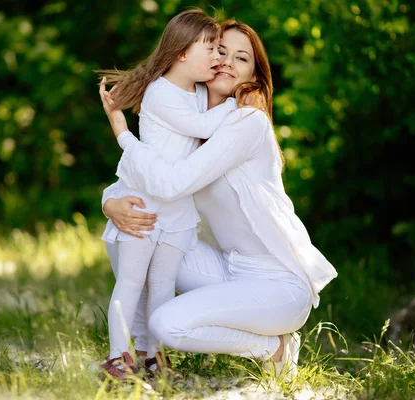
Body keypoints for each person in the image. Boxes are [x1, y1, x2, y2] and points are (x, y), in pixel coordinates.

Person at [99, 19, 338, 379]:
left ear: (253, 75)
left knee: (168, 323)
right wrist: (110, 202)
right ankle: (137, 356)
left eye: (240, 58)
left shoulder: (246, 122)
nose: (225, 60)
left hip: (277, 282)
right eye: (219, 50)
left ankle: (275, 349)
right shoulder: (190, 112)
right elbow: (152, 172)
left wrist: (121, 133)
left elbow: (172, 182)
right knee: (132, 231)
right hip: (227, 269)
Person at [97, 9, 239, 379]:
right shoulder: (161, 93)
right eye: (209, 49)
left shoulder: (196, 92)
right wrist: (240, 102)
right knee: (130, 282)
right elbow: (204, 125)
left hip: (176, 209)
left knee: (162, 287)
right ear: (181, 54)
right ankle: (117, 357)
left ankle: (154, 357)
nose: (218, 58)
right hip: (143, 202)